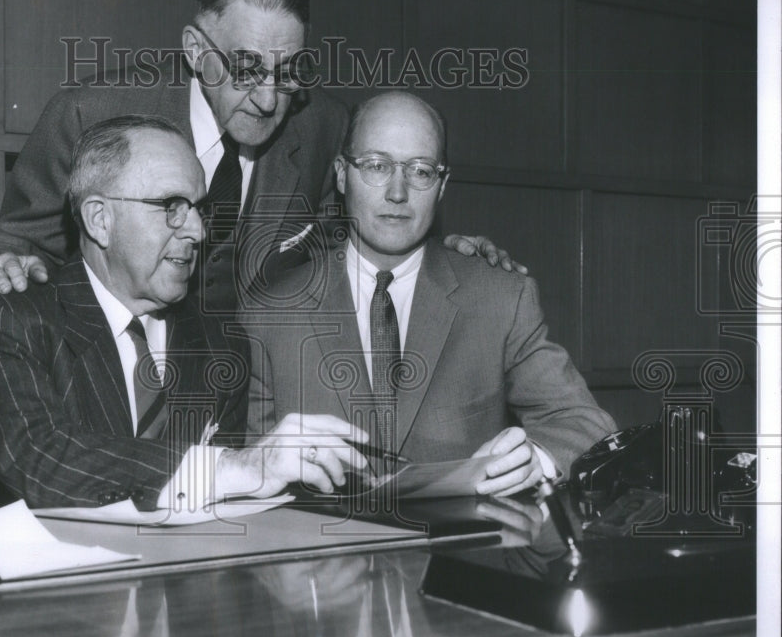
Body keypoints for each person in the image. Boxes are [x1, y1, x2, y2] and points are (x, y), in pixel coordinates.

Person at [0, 0, 522, 313]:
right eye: (248, 69)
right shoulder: (88, 115)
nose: (271, 97)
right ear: (196, 51)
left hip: (244, 401)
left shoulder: (323, 125)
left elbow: (349, 238)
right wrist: (0, 263)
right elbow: (15, 239)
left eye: (289, 70)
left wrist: (441, 255)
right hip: (111, 385)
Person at [0, 115, 368, 513]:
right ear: (99, 219)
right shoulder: (3, 321)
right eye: (171, 206)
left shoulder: (223, 345)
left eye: (199, 209)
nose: (198, 231)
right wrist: (234, 467)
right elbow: (43, 458)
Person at [241, 92, 616, 496]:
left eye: (420, 171)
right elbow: (253, 470)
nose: (397, 192)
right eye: (376, 166)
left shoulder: (500, 299)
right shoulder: (271, 313)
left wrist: (533, 462)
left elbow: (585, 423)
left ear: (441, 186)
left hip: (460, 554)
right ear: (341, 174)